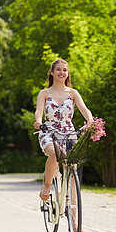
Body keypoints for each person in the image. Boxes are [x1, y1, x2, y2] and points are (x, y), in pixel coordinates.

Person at [33, 59, 93, 201]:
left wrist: (91, 121)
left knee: (72, 168)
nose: (62, 72)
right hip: (49, 131)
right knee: (54, 154)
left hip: (69, 132)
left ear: (68, 74)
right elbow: (38, 111)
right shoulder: (44, 93)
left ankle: (75, 220)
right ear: (52, 72)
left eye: (65, 70)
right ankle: (47, 185)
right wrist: (38, 122)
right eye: (58, 69)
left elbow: (85, 110)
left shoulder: (73, 93)